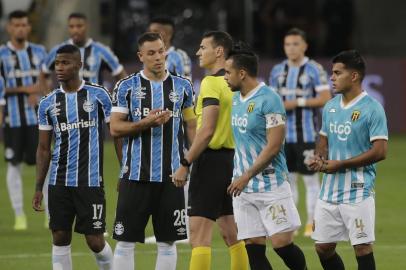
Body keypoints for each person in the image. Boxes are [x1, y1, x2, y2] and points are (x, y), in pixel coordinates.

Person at [110, 32, 196, 270]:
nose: (158, 57)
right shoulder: (126, 86)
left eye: (161, 51)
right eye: (151, 53)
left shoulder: (183, 87)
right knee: (126, 242)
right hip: (135, 175)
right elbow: (115, 128)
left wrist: (191, 161)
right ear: (141, 56)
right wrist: (146, 122)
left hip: (172, 177)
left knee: (168, 243)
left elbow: (191, 125)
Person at [225, 46, 307, 270]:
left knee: (281, 243)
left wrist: (247, 175)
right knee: (253, 246)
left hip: (271, 185)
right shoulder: (235, 99)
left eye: (228, 72)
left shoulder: (269, 99)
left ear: (242, 73)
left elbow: (274, 146)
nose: (225, 77)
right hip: (243, 189)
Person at [32, 44, 114, 270]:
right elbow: (43, 148)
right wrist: (39, 187)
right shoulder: (48, 103)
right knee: (59, 236)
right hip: (58, 181)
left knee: (95, 241)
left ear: (79, 65)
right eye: (57, 63)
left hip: (90, 180)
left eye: (65, 63)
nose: (59, 67)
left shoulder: (98, 95)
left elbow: (116, 134)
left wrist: (125, 169)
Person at [173, 31, 248, 270]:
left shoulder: (211, 82)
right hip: (234, 162)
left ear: (218, 52)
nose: (198, 52)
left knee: (199, 234)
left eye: (203, 47)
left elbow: (206, 132)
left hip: (211, 162)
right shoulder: (237, 84)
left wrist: (185, 164)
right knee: (230, 231)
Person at [309, 50, 388, 270]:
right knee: (323, 247)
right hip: (329, 191)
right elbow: (323, 139)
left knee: (362, 247)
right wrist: (319, 157)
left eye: (337, 73)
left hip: (358, 189)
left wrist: (341, 164)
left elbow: (380, 151)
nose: (331, 77)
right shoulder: (331, 106)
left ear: (353, 76)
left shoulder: (372, 109)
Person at [269, 28, 331, 236]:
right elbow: (271, 101)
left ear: (304, 46)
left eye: (295, 44)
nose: (291, 48)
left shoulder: (314, 69)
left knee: (311, 181)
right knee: (288, 182)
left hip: (307, 135)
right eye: (288, 44)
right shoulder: (277, 70)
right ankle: (291, 224)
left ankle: (312, 224)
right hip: (283, 137)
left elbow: (325, 99)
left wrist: (298, 102)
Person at [146, 15, 193, 245]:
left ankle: (184, 225)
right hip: (157, 123)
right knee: (167, 172)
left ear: (166, 34)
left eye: (155, 31)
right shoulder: (150, 56)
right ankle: (168, 225)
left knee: (182, 168)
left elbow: (185, 87)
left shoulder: (179, 56)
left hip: (178, 121)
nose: (151, 34)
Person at [0, 10, 47, 230]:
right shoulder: (1, 55)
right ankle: (19, 215)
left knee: (45, 163)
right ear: (9, 28)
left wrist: (38, 91)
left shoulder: (40, 52)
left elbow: (47, 85)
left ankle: (50, 213)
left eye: (24, 25)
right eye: (16, 25)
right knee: (14, 165)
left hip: (38, 120)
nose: (20, 28)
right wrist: (23, 89)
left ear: (29, 28)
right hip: (13, 119)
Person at [43, 12, 127, 85]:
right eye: (71, 26)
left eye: (79, 26)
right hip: (66, 102)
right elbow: (43, 75)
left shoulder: (101, 51)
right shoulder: (58, 51)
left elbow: (120, 74)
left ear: (87, 26)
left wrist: (120, 99)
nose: (75, 30)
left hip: (93, 103)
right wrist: (47, 98)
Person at [148, 16, 192, 80]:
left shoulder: (180, 56)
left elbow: (186, 86)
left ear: (168, 35)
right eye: (149, 32)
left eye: (154, 32)